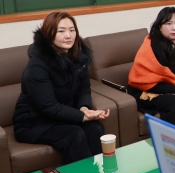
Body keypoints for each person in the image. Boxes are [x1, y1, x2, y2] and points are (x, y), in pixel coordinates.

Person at [13, 12, 110, 164]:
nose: (68, 36)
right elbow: (48, 107)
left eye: (72, 30)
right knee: (74, 134)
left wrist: (84, 108)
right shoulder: (36, 66)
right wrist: (82, 116)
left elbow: (84, 90)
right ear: (48, 34)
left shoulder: (79, 58)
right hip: (34, 123)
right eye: (61, 31)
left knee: (95, 128)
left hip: (63, 115)